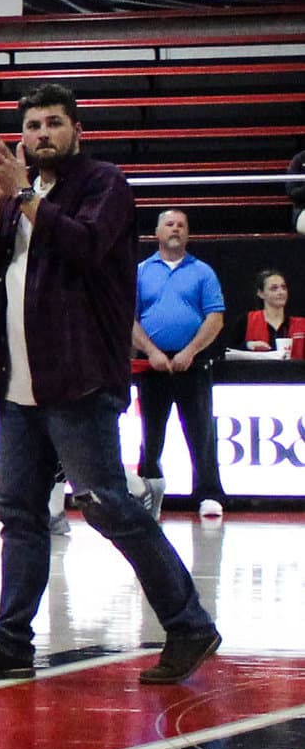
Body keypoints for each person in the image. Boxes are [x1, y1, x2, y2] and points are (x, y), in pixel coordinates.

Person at [0, 84, 220, 686]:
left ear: (77, 131)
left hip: (78, 375)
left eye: (54, 124)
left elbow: (87, 247)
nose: (42, 134)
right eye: (33, 124)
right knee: (18, 512)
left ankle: (188, 623)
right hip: (16, 382)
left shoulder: (105, 184)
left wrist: (19, 192)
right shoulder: (18, 193)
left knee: (109, 504)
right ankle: (11, 639)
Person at [132, 209, 226, 519]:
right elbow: (127, 320)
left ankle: (209, 493)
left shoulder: (203, 272)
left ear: (188, 233)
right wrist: (152, 351)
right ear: (157, 233)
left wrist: (190, 351)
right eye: (170, 224)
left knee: (200, 431)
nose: (176, 229)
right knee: (151, 432)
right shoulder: (141, 272)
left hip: (193, 363)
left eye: (182, 225)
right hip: (152, 365)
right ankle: (148, 491)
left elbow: (215, 317)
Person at [244, 268, 304, 355]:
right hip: (258, 368)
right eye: (274, 288)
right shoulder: (247, 320)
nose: (281, 292)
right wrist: (248, 345)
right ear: (261, 293)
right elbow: (229, 349)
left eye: (283, 287)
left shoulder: (301, 324)